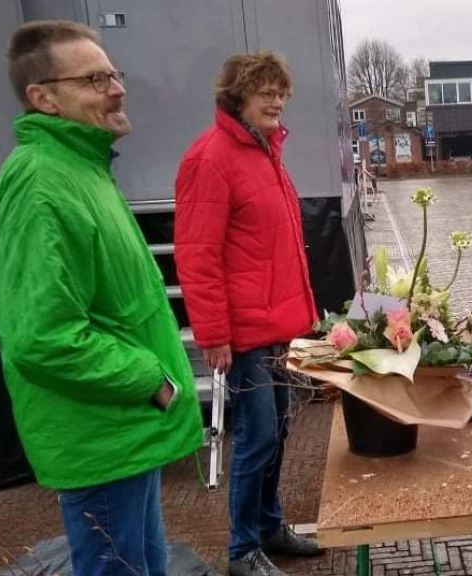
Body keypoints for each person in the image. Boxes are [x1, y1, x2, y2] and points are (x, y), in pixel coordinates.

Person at [0, 20, 204, 576]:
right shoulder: (40, 186)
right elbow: (41, 337)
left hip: (123, 432)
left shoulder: (80, 169)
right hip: (103, 437)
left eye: (114, 73)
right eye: (94, 78)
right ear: (44, 98)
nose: (117, 88)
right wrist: (152, 380)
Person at [174, 51, 323, 576]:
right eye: (264, 90)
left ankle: (268, 527)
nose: (276, 99)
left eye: (281, 90)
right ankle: (241, 551)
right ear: (237, 96)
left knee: (278, 433)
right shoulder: (211, 157)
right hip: (244, 335)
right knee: (256, 439)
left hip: (276, 330)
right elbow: (197, 253)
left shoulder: (265, 152)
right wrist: (214, 334)